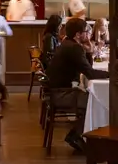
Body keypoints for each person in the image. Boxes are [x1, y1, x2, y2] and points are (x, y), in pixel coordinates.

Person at [45, 18, 108, 151]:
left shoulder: (68, 44)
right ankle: (76, 135)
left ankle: (79, 135)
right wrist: (113, 74)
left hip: (57, 90)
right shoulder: (74, 48)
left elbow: (87, 70)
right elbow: (90, 73)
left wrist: (90, 52)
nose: (88, 35)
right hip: (62, 94)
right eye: (86, 32)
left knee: (93, 97)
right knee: (95, 101)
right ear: (78, 35)